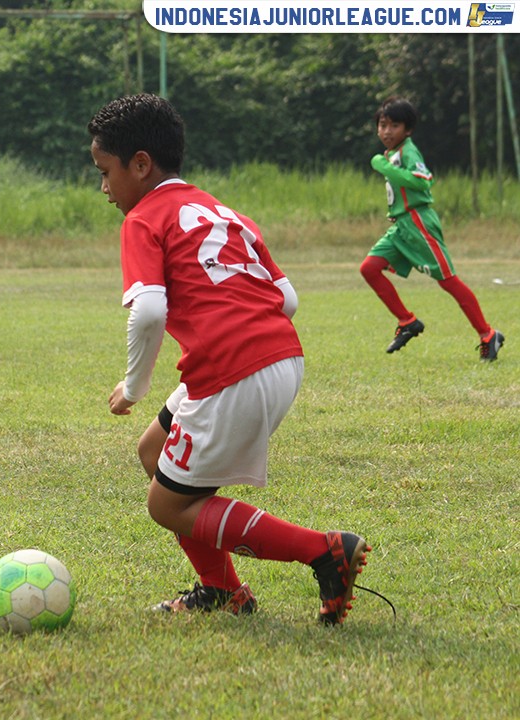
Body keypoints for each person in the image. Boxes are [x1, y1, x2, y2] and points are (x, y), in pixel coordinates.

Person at [89, 93, 370, 625]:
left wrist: (131, 388)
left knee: (166, 505)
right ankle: (223, 590)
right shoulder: (222, 210)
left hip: (234, 371)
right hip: (282, 357)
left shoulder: (144, 218)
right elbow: (287, 299)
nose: (104, 188)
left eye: (105, 172)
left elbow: (149, 311)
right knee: (154, 451)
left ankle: (324, 549)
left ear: (141, 164)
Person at [360, 96, 504, 361]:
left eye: (394, 126)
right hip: (401, 226)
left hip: (418, 222)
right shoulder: (391, 154)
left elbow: (422, 182)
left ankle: (487, 334)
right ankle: (407, 321)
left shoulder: (407, 151)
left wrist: (383, 167)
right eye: (382, 125)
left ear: (408, 130)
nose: (386, 131)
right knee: (369, 268)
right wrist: (384, 163)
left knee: (448, 281)